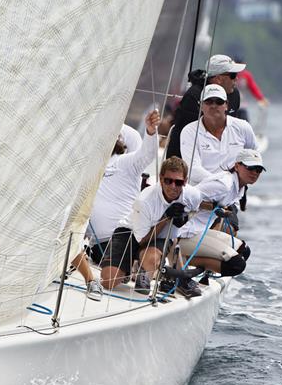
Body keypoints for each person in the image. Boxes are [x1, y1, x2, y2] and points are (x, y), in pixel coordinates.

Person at [99, 156, 203, 298]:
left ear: (185, 182)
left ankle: (148, 272)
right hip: (131, 232)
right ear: (161, 179)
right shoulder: (145, 200)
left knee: (151, 260)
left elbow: (195, 209)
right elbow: (142, 240)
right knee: (108, 282)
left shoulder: (193, 195)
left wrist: (185, 218)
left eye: (178, 182)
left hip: (159, 238)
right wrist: (165, 218)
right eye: (168, 181)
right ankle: (131, 269)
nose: (173, 186)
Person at [177, 148, 265, 278]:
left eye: (258, 170)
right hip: (183, 233)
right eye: (250, 168)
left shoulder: (239, 188)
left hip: (198, 231)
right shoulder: (224, 185)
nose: (254, 173)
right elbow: (183, 197)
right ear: (237, 166)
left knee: (244, 251)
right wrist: (213, 207)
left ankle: (202, 269)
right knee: (236, 265)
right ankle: (176, 257)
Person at [87, 109, 160, 264]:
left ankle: (140, 266)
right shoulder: (85, 165)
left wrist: (151, 132)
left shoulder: (125, 162)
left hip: (126, 238)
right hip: (95, 245)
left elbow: (147, 155)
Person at [166, 54, 246, 159]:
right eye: (233, 75)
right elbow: (186, 134)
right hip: (185, 156)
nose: (236, 79)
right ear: (218, 79)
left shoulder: (234, 94)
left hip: (220, 157)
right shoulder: (194, 96)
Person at [179, 84, 257, 185]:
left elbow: (254, 155)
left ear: (226, 105)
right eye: (208, 101)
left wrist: (241, 180)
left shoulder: (243, 127)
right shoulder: (189, 131)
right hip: (200, 192)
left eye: (219, 102)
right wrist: (223, 183)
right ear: (200, 106)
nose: (214, 105)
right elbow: (193, 169)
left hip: (235, 191)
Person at [234, 57, 269, 122]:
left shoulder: (246, 75)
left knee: (245, 123)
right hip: (231, 104)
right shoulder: (230, 74)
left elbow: (253, 88)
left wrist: (261, 99)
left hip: (242, 105)